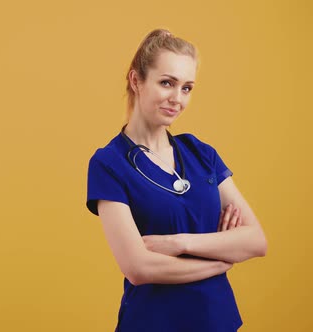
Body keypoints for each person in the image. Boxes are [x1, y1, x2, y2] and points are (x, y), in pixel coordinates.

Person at [85, 29, 267, 332]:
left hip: (216, 320)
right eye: (167, 83)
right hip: (153, 322)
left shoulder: (200, 154)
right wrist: (220, 260)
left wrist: (178, 243)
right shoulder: (109, 163)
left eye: (187, 88)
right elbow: (139, 268)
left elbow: (256, 241)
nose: (177, 98)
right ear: (136, 80)